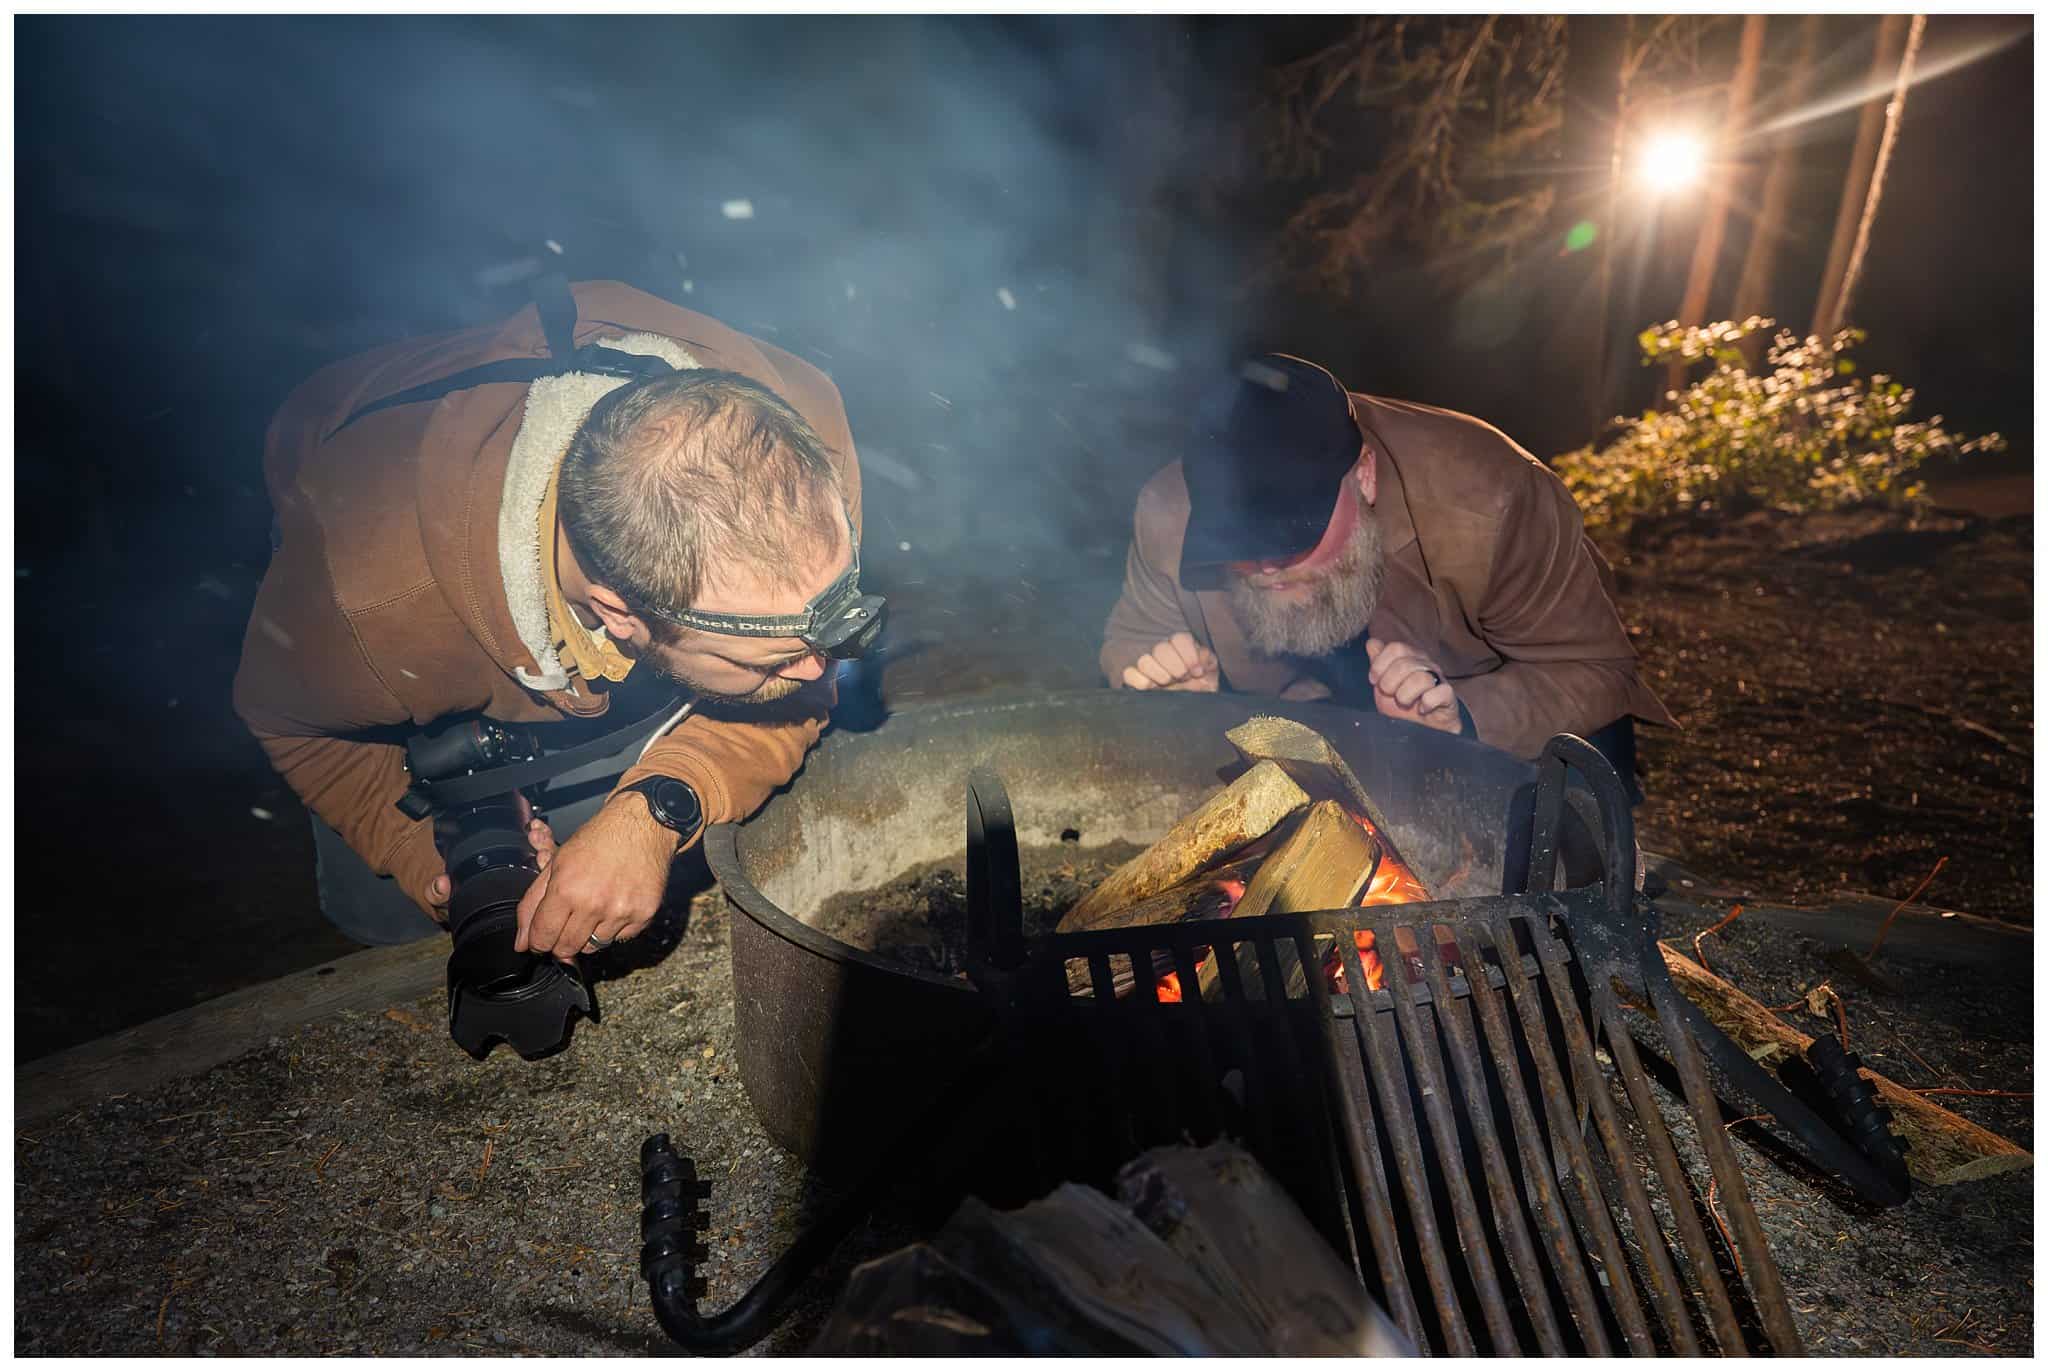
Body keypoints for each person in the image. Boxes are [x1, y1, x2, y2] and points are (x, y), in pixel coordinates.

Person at [235, 280, 869, 961]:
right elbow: (289, 723)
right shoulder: (364, 603)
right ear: (617, 614)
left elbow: (804, 686)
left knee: (597, 834)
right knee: (388, 910)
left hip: (548, 537)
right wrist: (423, 857)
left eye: (834, 617)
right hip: (354, 474)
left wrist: (652, 810)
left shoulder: (808, 449)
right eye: (774, 655)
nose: (826, 663)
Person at [1101, 353, 1673, 790]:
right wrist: (1175, 694)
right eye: (1240, 542)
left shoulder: (1492, 495)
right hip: (1314, 713)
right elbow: (1135, 642)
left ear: (1364, 475)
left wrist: (1463, 718)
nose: (1265, 565)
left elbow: (1595, 668)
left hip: (1494, 705)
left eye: (1288, 537)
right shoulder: (1169, 512)